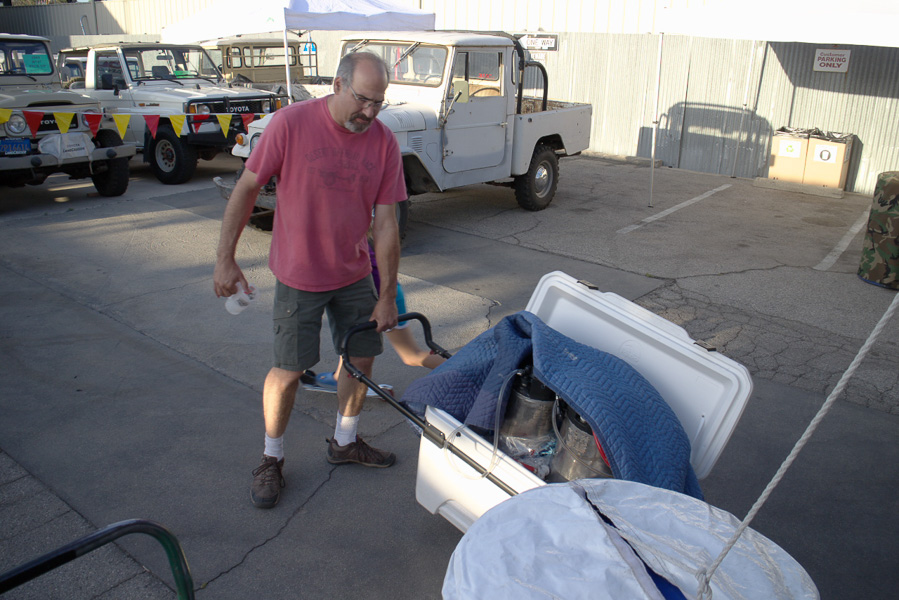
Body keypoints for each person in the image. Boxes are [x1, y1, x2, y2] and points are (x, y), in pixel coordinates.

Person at [213, 51, 405, 509]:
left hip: (353, 273)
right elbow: (247, 187)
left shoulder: (383, 142)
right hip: (298, 275)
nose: (370, 112)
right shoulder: (290, 124)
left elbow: (386, 223)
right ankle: (271, 458)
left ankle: (345, 441)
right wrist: (225, 259)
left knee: (361, 358)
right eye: (363, 100)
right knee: (289, 370)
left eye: (379, 102)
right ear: (337, 85)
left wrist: (386, 295)